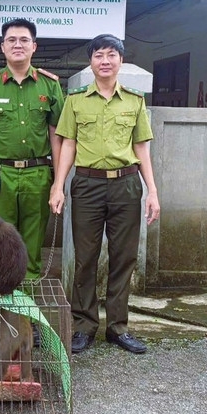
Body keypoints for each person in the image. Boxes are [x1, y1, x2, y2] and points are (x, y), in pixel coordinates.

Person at [49, 34, 160, 354]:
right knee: (85, 258)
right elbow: (67, 144)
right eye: (99, 55)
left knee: (124, 257)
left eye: (111, 55)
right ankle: (83, 326)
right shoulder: (76, 101)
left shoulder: (134, 101)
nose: (105, 61)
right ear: (91, 61)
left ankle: (118, 327)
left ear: (120, 61)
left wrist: (152, 191)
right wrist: (59, 186)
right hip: (86, 184)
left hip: (126, 184)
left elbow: (142, 147)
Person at [0, 18, 65, 279]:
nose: (18, 45)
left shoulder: (50, 85)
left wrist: (58, 183)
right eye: (11, 40)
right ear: (2, 47)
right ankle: (1, 311)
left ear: (34, 46)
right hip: (1, 176)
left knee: (32, 246)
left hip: (38, 175)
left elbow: (57, 134)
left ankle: (26, 311)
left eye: (24, 40)